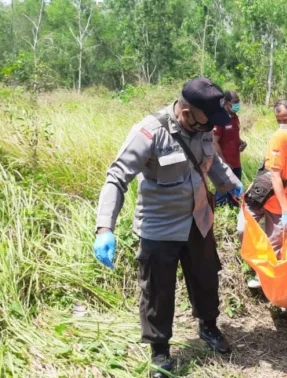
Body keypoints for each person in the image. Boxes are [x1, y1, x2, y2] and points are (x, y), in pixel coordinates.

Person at [93, 77, 243, 378]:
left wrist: (234, 187)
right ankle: (160, 351)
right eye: (206, 120)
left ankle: (209, 327)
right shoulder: (148, 132)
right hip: (159, 227)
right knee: (158, 291)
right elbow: (116, 177)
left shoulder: (203, 127)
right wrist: (104, 228)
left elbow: (212, 163)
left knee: (205, 278)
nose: (210, 126)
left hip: (198, 221)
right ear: (186, 113)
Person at [239, 120, 287, 289]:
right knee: (242, 230)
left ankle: (265, 279)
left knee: (275, 241)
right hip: (261, 194)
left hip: (284, 200)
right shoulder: (280, 137)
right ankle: (252, 262)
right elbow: (275, 175)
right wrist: (286, 211)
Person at [213, 90, 247, 207]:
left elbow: (233, 137)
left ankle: (235, 219)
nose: (237, 104)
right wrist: (224, 162)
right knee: (222, 195)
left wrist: (242, 143)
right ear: (226, 103)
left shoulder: (235, 117)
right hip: (225, 165)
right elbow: (214, 141)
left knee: (236, 195)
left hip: (236, 163)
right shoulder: (220, 119)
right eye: (235, 102)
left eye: (238, 102)